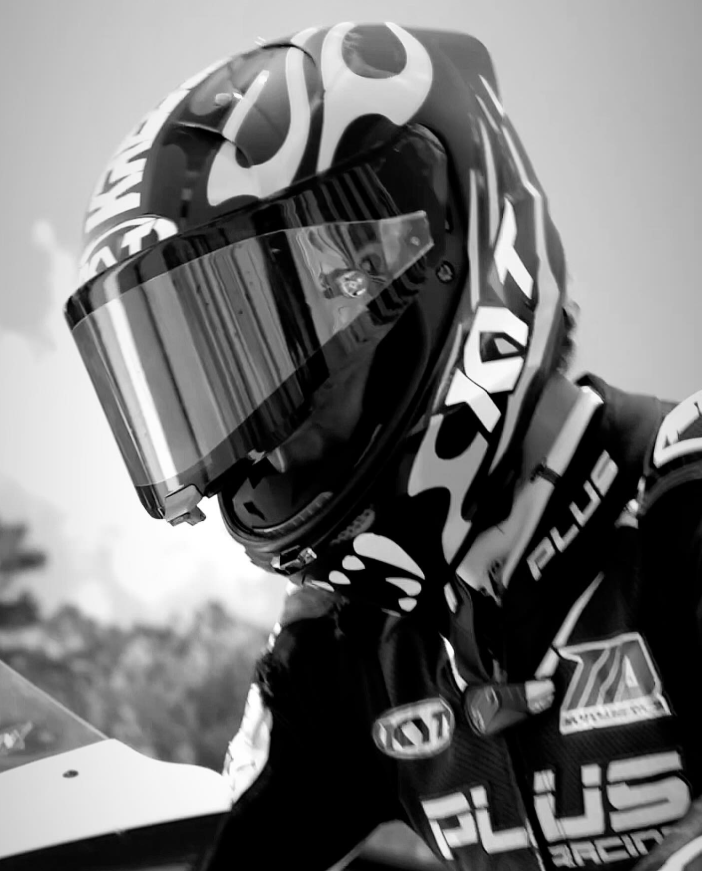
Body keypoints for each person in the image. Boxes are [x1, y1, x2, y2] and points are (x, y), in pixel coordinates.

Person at [65, 22, 702, 871]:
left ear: (429, 254)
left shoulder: (680, 505)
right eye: (213, 385)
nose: (267, 449)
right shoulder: (353, 646)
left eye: (275, 352)